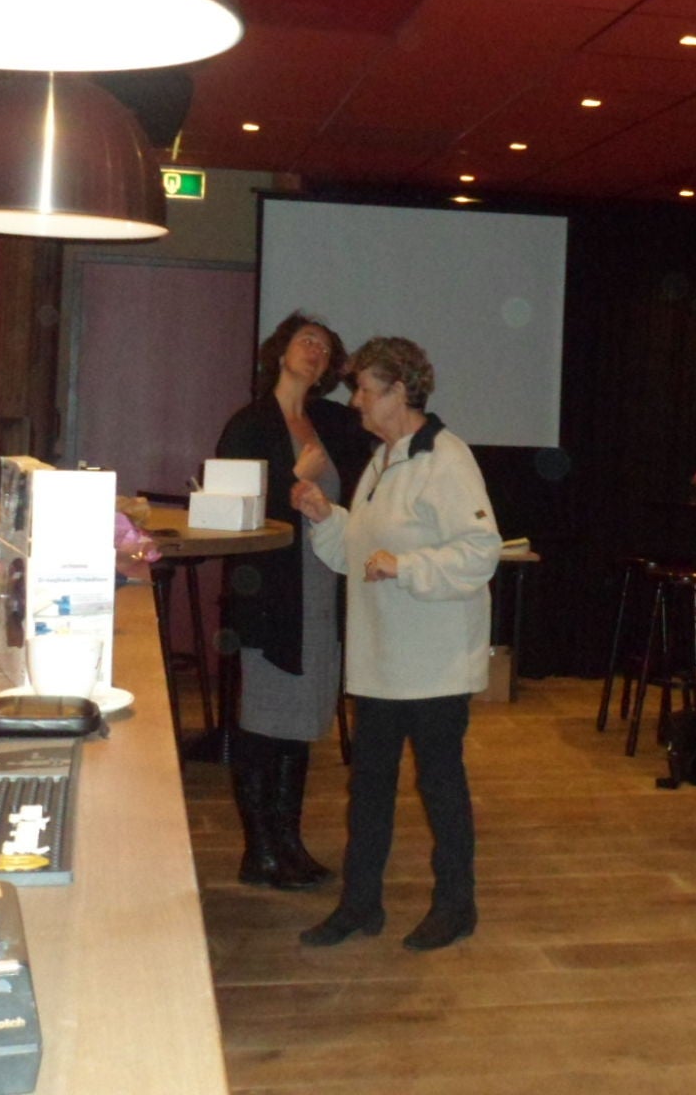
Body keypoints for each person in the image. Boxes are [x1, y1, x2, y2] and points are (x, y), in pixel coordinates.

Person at [290, 336, 501, 951]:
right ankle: (360, 905)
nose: (355, 400)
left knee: (441, 787)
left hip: (434, 664)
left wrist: (406, 567)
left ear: (400, 391)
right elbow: (363, 553)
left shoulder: (446, 458)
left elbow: (479, 552)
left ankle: (457, 906)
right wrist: (326, 516)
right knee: (369, 789)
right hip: (382, 660)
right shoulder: (385, 459)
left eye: (364, 389)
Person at [215, 313, 369, 891]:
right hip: (271, 591)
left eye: (325, 348)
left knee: (301, 720)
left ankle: (289, 842)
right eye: (306, 341)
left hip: (321, 589)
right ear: (280, 351)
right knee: (264, 721)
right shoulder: (250, 423)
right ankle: (259, 851)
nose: (315, 351)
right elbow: (230, 511)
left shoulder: (331, 421)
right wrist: (292, 478)